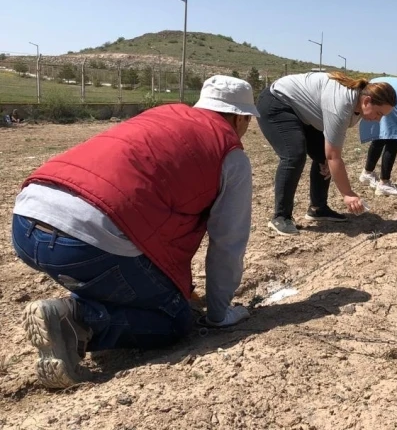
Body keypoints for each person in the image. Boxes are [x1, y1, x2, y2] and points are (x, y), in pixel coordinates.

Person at [11, 75, 258, 389]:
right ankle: (77, 321)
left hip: (27, 219)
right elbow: (228, 242)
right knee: (174, 318)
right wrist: (219, 314)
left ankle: (78, 306)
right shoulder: (230, 154)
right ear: (240, 117)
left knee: (122, 271)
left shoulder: (164, 113)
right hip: (87, 245)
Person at [256, 71, 397, 236]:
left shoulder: (356, 103)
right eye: (379, 113)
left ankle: (318, 208)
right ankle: (281, 216)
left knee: (323, 158)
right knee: (294, 155)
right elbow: (334, 156)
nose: (378, 119)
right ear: (367, 101)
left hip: (303, 112)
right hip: (277, 102)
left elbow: (329, 155)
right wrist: (348, 194)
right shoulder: (342, 104)